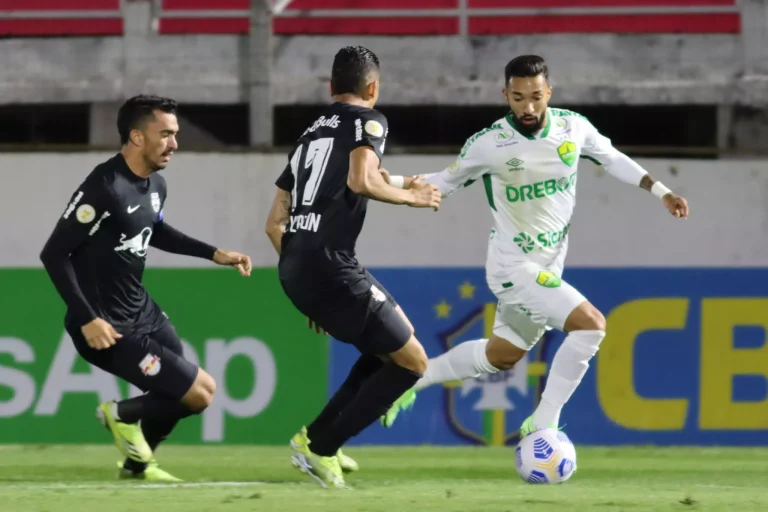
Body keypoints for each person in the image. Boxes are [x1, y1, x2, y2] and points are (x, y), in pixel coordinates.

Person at [379, 55, 690, 438]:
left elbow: (613, 159)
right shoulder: (489, 144)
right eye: (518, 97)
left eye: (536, 97)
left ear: (549, 93)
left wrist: (661, 191)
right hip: (514, 268)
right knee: (591, 326)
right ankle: (543, 424)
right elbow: (443, 181)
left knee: (502, 355)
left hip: (546, 267)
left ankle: (412, 381)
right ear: (505, 95)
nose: (528, 107)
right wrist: (387, 180)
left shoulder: (572, 128)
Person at [39, 95, 252, 482]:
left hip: (144, 312)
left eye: (175, 134)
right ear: (137, 137)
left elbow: (155, 230)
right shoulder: (103, 186)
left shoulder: (156, 184)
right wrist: (87, 319)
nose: (174, 143)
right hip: (106, 324)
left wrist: (213, 253)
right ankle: (117, 415)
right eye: (165, 134)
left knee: (178, 394)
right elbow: (54, 254)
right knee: (200, 392)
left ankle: (137, 467)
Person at [264, 45, 441, 488]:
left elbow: (273, 223)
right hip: (331, 264)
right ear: (373, 88)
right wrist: (411, 197)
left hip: (298, 266)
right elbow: (360, 180)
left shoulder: (310, 134)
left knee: (389, 350)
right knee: (413, 363)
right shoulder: (370, 121)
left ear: (331, 87)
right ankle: (320, 448)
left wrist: (306, 283)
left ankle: (318, 438)